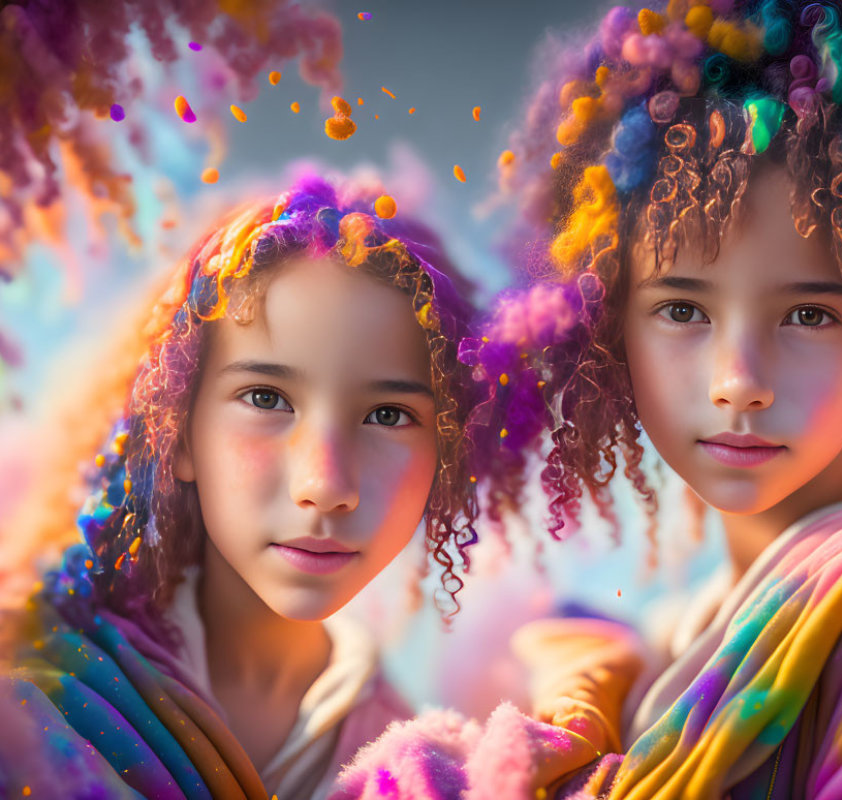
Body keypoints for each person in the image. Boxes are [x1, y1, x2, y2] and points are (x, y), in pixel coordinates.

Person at [331, 2, 842, 798]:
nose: (738, 380)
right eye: (683, 311)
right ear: (611, 337)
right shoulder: (657, 647)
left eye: (809, 315)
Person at [2, 173, 482, 800]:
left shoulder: (426, 765)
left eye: (388, 415)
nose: (325, 484)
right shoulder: (38, 689)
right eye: (266, 398)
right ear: (176, 434)